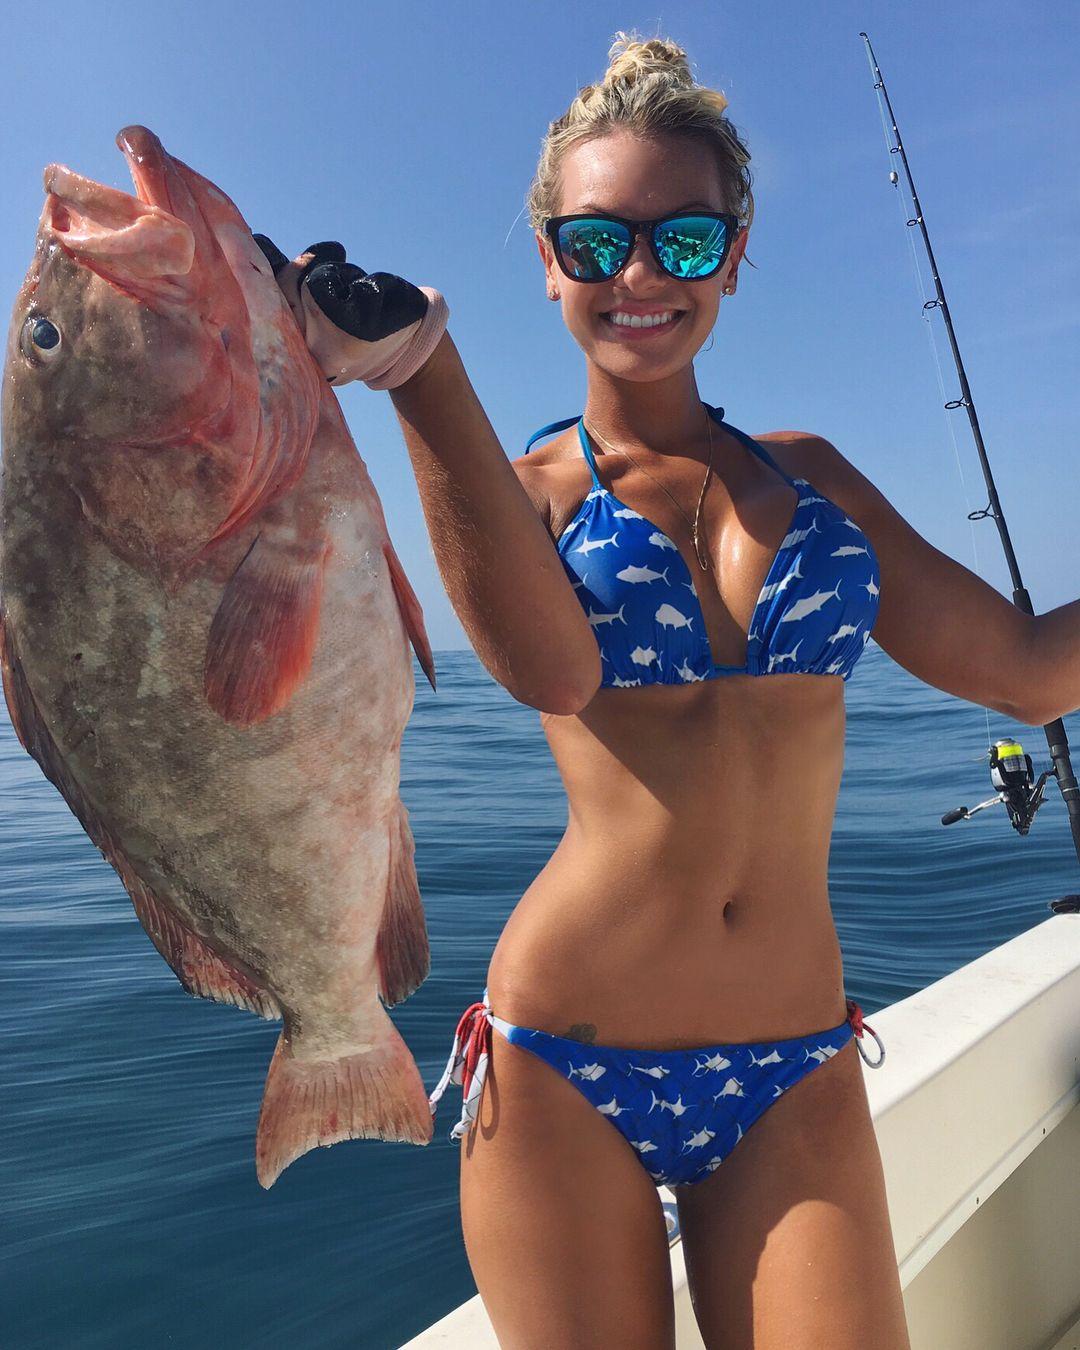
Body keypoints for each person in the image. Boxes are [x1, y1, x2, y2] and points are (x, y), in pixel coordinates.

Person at [259, 29, 1044, 1350]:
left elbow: (1024, 674)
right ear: (549, 261)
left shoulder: (815, 479)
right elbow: (551, 670)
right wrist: (417, 367)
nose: (638, 274)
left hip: (792, 1060)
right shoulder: (530, 492)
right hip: (563, 1063)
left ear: (733, 258)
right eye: (595, 242)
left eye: (683, 240)